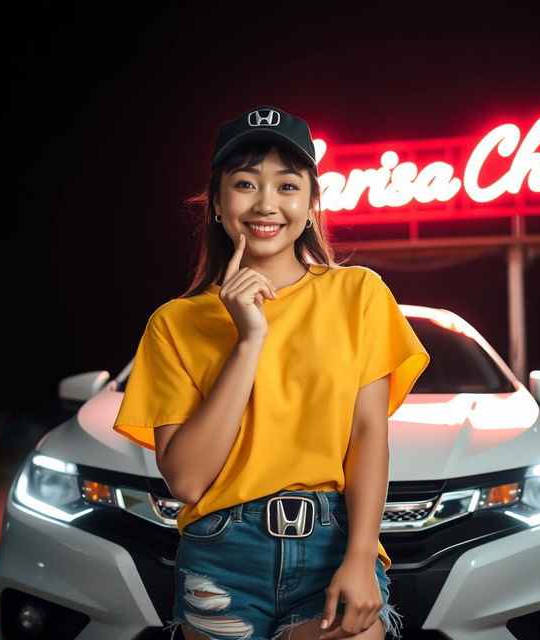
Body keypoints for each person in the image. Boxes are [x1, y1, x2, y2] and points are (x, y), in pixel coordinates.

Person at [112, 105, 430, 640]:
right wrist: (248, 340)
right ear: (217, 203)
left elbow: (369, 435)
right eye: (244, 184)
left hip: (335, 542)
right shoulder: (174, 323)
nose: (266, 203)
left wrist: (359, 557)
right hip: (221, 555)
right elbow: (188, 480)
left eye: (287, 185)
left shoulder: (358, 294)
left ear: (311, 204)